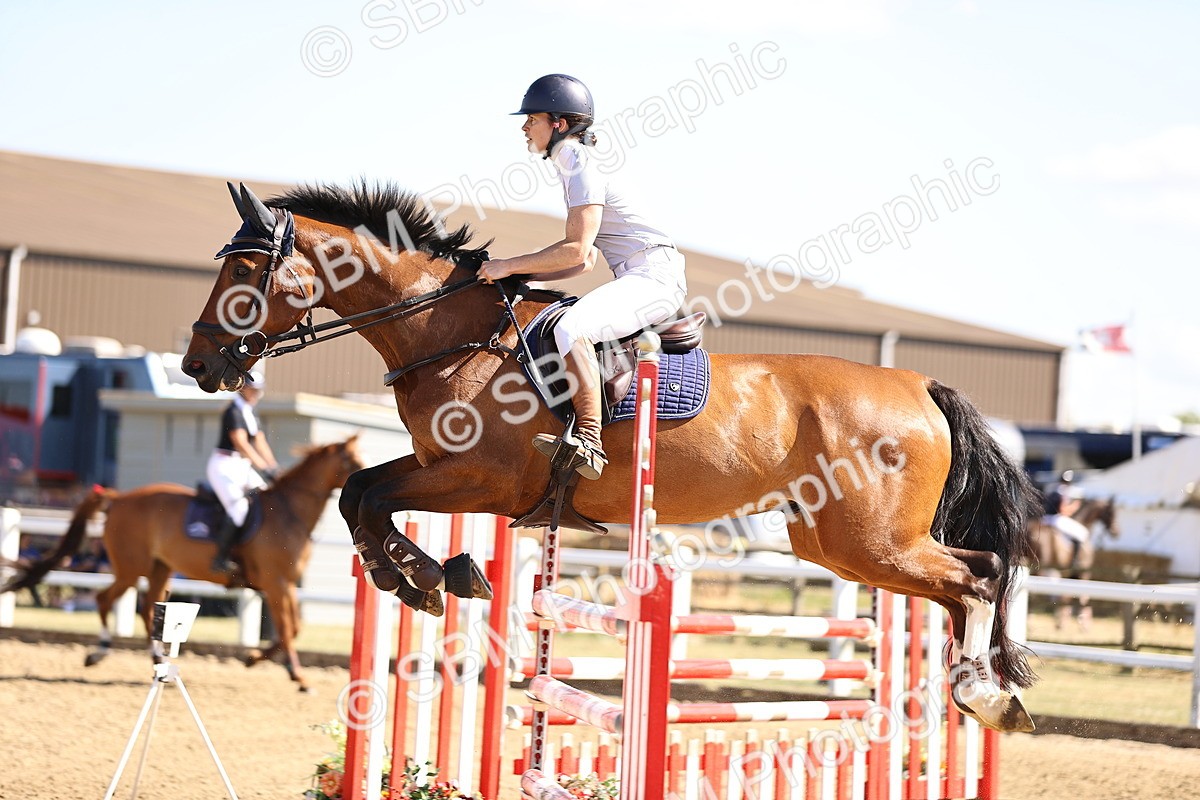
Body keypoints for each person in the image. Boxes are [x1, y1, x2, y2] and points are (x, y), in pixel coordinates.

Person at [477, 74, 687, 480]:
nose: (524, 128)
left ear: (558, 123)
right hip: (640, 273)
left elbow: (575, 249)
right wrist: (521, 278)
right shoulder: (571, 162)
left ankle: (590, 440)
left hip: (654, 276)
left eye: (532, 119)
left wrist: (507, 265)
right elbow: (584, 261)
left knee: (572, 329)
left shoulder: (578, 161)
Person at [207, 368, 279, 573]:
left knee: (267, 498)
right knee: (239, 510)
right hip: (224, 466)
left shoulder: (248, 411)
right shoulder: (233, 411)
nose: (257, 395)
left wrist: (274, 468)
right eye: (254, 390)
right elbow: (241, 444)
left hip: (241, 465)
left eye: (259, 391)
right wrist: (264, 468)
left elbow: (260, 442)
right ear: (243, 389)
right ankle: (220, 558)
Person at [1041, 470, 1090, 545]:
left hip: (1044, 519)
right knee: (1083, 533)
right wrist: (1074, 507)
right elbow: (1063, 511)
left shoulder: (1052, 488)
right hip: (1056, 520)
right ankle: (1075, 557)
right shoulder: (1063, 492)